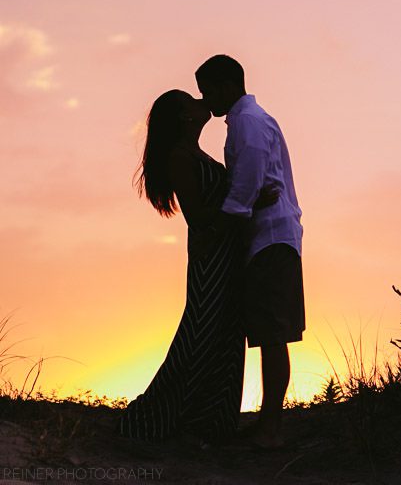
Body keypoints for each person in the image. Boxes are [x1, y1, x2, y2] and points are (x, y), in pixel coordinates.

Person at [119, 90, 276, 444]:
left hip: (226, 252)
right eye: (190, 101)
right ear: (183, 117)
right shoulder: (179, 157)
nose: (200, 102)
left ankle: (212, 423)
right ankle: (162, 415)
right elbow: (198, 216)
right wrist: (247, 206)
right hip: (211, 256)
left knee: (225, 332)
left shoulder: (194, 152)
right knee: (203, 331)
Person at [195, 54, 305, 449]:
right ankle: (267, 423)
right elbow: (253, 187)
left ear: (226, 85)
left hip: (270, 237)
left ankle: (271, 428)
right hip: (270, 236)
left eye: (207, 90)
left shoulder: (247, 123)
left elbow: (246, 184)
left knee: (273, 333)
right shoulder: (249, 121)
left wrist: (224, 223)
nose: (204, 99)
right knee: (267, 332)